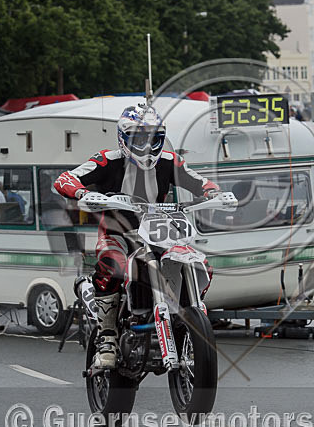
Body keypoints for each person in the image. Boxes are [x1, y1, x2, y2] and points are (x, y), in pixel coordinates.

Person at [53, 103, 220, 369]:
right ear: (123, 137)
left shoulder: (169, 161)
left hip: (158, 233)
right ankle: (107, 338)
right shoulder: (107, 160)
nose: (146, 144)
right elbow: (65, 179)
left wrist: (212, 192)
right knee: (113, 265)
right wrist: (83, 193)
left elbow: (199, 180)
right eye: (139, 138)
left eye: (152, 138)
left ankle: (186, 317)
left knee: (200, 263)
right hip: (118, 233)